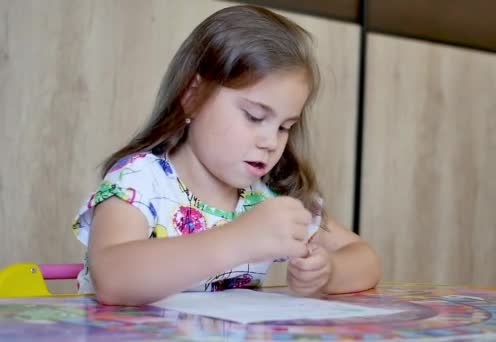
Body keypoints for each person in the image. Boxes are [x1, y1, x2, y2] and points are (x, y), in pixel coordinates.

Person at [71, 4, 380, 306]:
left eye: (285, 127)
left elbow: (363, 258)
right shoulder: (139, 181)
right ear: (192, 96)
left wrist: (328, 272)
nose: (271, 141)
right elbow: (112, 279)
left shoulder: (270, 194)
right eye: (254, 116)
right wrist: (238, 240)